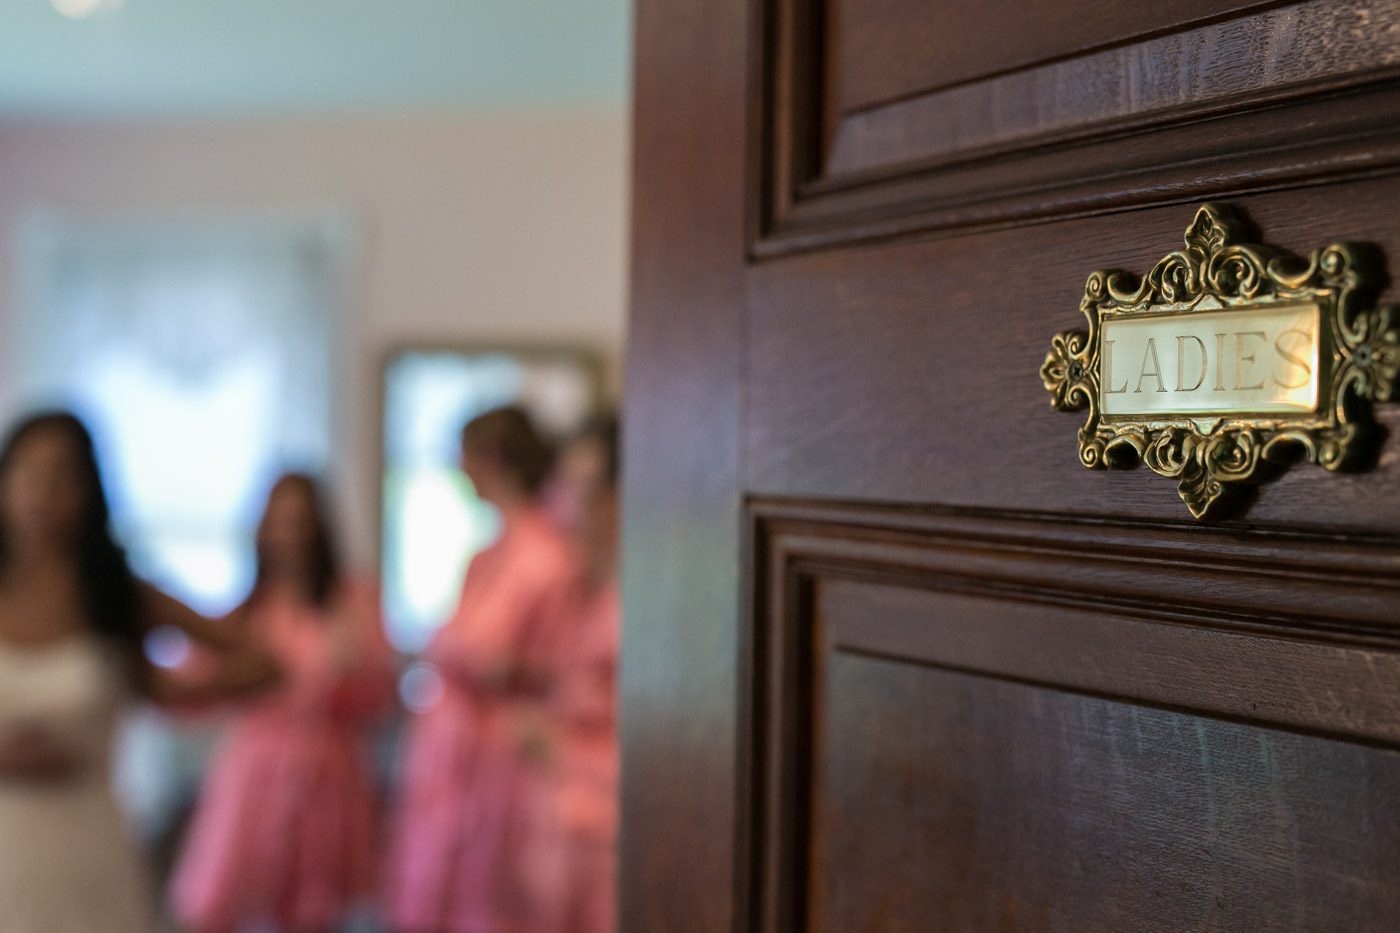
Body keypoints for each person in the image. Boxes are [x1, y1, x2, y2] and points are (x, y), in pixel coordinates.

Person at [0, 410, 280, 933]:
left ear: (88, 490)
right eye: (26, 472)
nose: (40, 493)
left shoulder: (117, 595)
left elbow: (260, 661)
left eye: (61, 476)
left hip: (86, 837)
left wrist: (160, 689)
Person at [386, 405, 580, 933]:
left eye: (466, 457)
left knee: (492, 899)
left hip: (502, 759)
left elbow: (550, 663)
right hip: (460, 750)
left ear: (492, 460)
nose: (460, 470)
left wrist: (489, 666)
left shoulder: (545, 556)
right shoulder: (490, 553)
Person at [170, 473, 393, 932]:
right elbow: (193, 685)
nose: (290, 535)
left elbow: (380, 693)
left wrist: (340, 676)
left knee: (312, 910)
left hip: (325, 773)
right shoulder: (249, 609)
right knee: (215, 906)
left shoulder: (352, 601)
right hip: (254, 776)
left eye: (301, 523)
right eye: (280, 522)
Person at [530, 414, 622, 933]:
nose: (572, 509)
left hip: (610, 827)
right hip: (562, 819)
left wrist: (557, 747)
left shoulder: (643, 604)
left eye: (586, 491)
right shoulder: (578, 587)